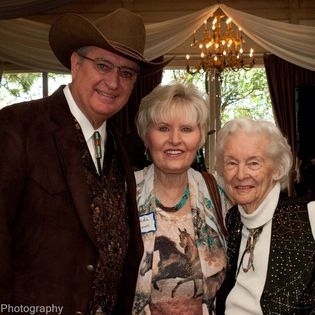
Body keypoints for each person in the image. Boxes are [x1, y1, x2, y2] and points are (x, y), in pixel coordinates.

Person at [0, 8, 171, 315]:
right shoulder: (17, 127)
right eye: (103, 65)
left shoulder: (119, 145)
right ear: (76, 64)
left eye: (127, 73)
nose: (114, 82)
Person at [131, 82, 230, 315]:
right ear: (147, 136)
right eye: (163, 128)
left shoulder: (219, 193)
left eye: (186, 129)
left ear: (199, 138)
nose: (175, 140)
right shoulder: (124, 192)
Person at [214, 117, 315, 314]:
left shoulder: (308, 216)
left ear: (277, 169)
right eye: (232, 163)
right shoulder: (234, 218)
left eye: (253, 163)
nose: (241, 174)